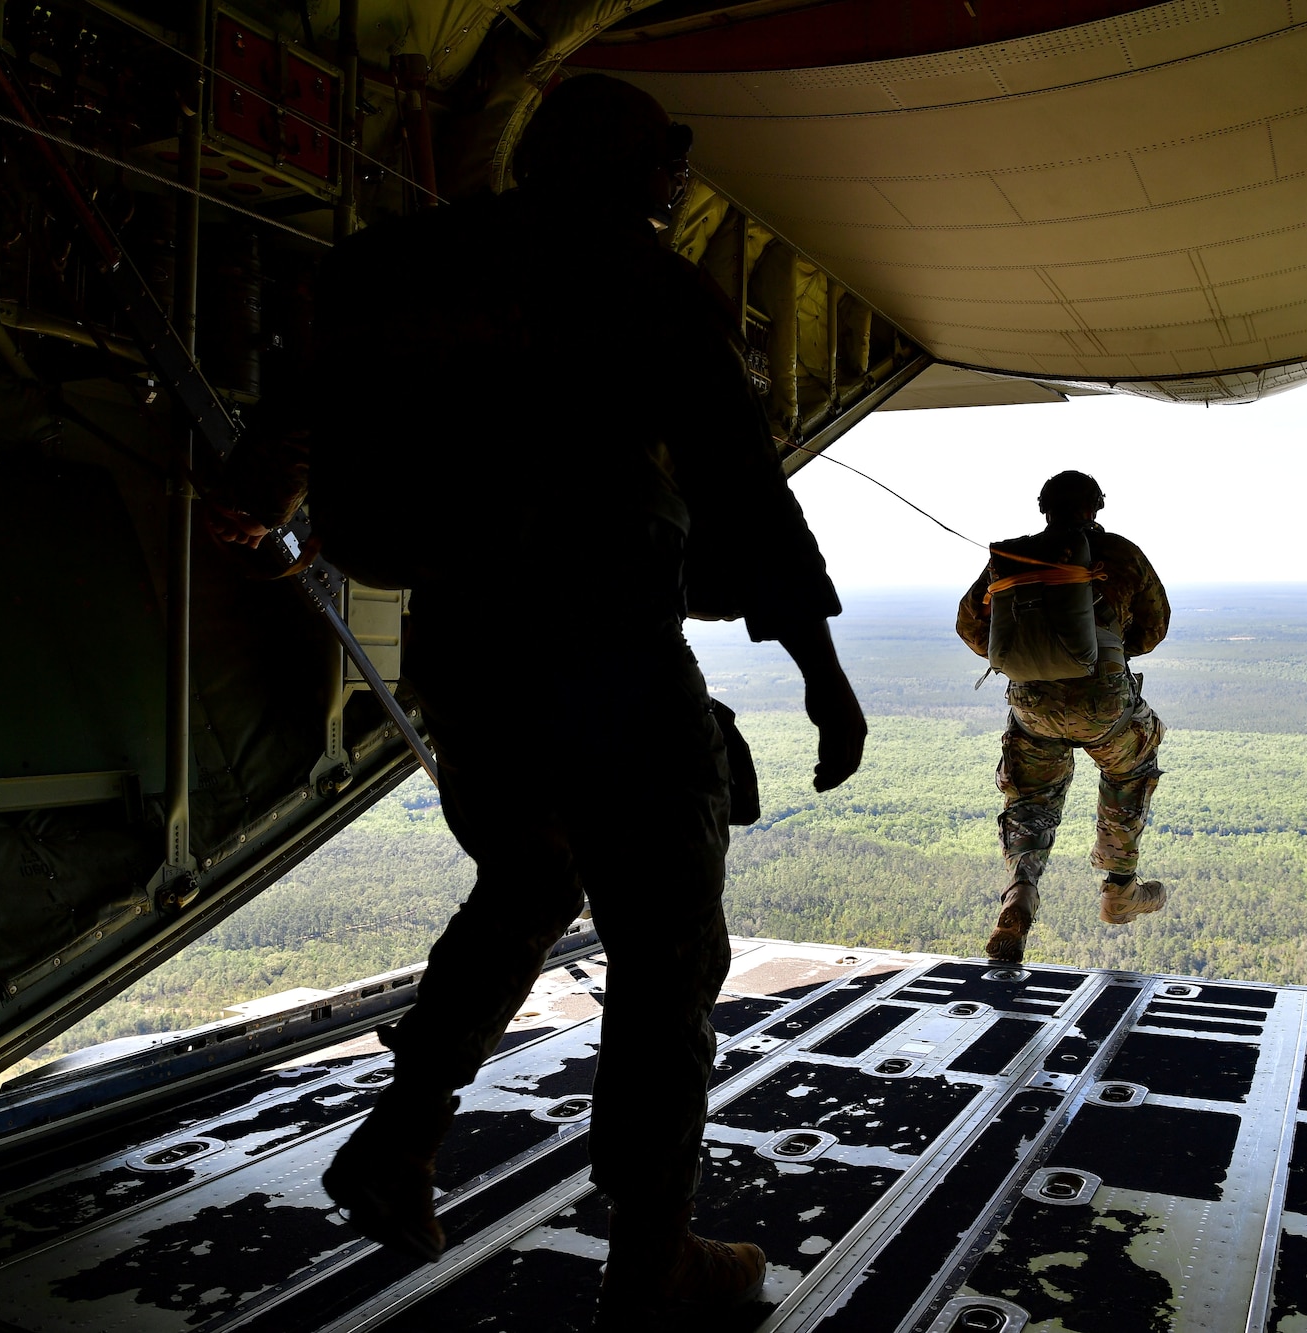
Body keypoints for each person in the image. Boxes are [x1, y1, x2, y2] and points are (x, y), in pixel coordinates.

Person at [205, 74, 865, 1325]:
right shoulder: (639, 282)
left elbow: (289, 430)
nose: (670, 194)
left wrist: (258, 501)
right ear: (634, 173)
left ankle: (399, 1138)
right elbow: (739, 488)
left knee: (524, 879)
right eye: (664, 174)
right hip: (604, 648)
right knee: (666, 950)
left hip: (459, 647)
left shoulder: (389, 269)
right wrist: (821, 677)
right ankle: (653, 1265)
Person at [955, 471, 1170, 960]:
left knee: (1030, 797)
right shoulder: (1119, 553)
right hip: (1103, 701)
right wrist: (1106, 655)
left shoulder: (1014, 556)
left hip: (1031, 704)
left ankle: (1020, 895)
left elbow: (971, 624)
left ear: (1042, 508)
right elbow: (1155, 626)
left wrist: (1031, 663)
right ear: (1096, 507)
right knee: (1131, 768)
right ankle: (1120, 888)